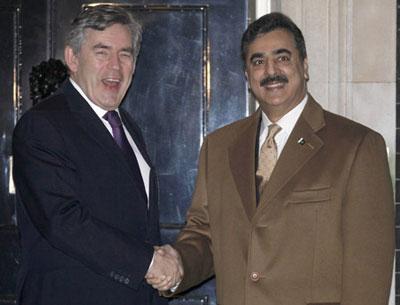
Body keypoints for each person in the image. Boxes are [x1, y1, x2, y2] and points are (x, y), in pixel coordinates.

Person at [149, 12, 395, 305]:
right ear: (246, 76)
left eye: (282, 58)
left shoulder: (357, 147)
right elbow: (206, 234)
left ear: (304, 66)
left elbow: (368, 273)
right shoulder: (218, 147)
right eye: (258, 61)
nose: (271, 70)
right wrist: (178, 264)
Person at [13, 5, 181, 305]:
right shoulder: (42, 124)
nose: (115, 67)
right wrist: (149, 263)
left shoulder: (128, 127)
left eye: (125, 54)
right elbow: (62, 221)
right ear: (73, 59)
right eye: (102, 52)